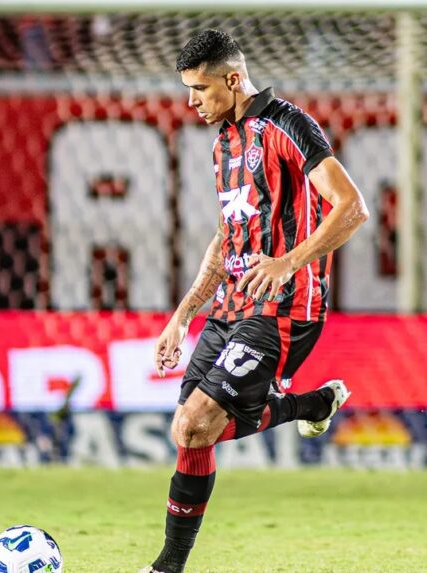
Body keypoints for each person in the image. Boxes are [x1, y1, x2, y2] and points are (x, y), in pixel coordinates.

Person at [141, 29, 370, 573]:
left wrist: (289, 261)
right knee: (188, 432)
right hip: (230, 307)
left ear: (233, 78)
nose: (191, 102)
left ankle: (167, 567)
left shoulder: (288, 125)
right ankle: (307, 406)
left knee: (197, 425)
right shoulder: (222, 144)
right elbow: (228, 237)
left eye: (200, 89)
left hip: (285, 305)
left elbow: (352, 206)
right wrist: (182, 315)